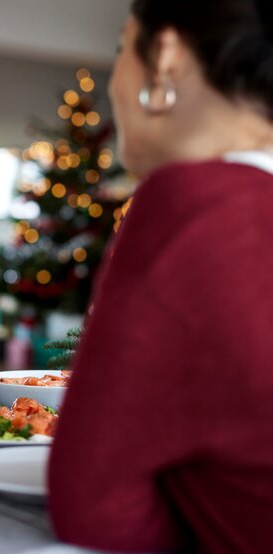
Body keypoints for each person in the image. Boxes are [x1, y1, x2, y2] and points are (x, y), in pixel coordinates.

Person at [48, 0, 273, 552]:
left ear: (165, 56)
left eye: (122, 48)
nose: (113, 80)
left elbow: (94, 507)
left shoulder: (196, 203)